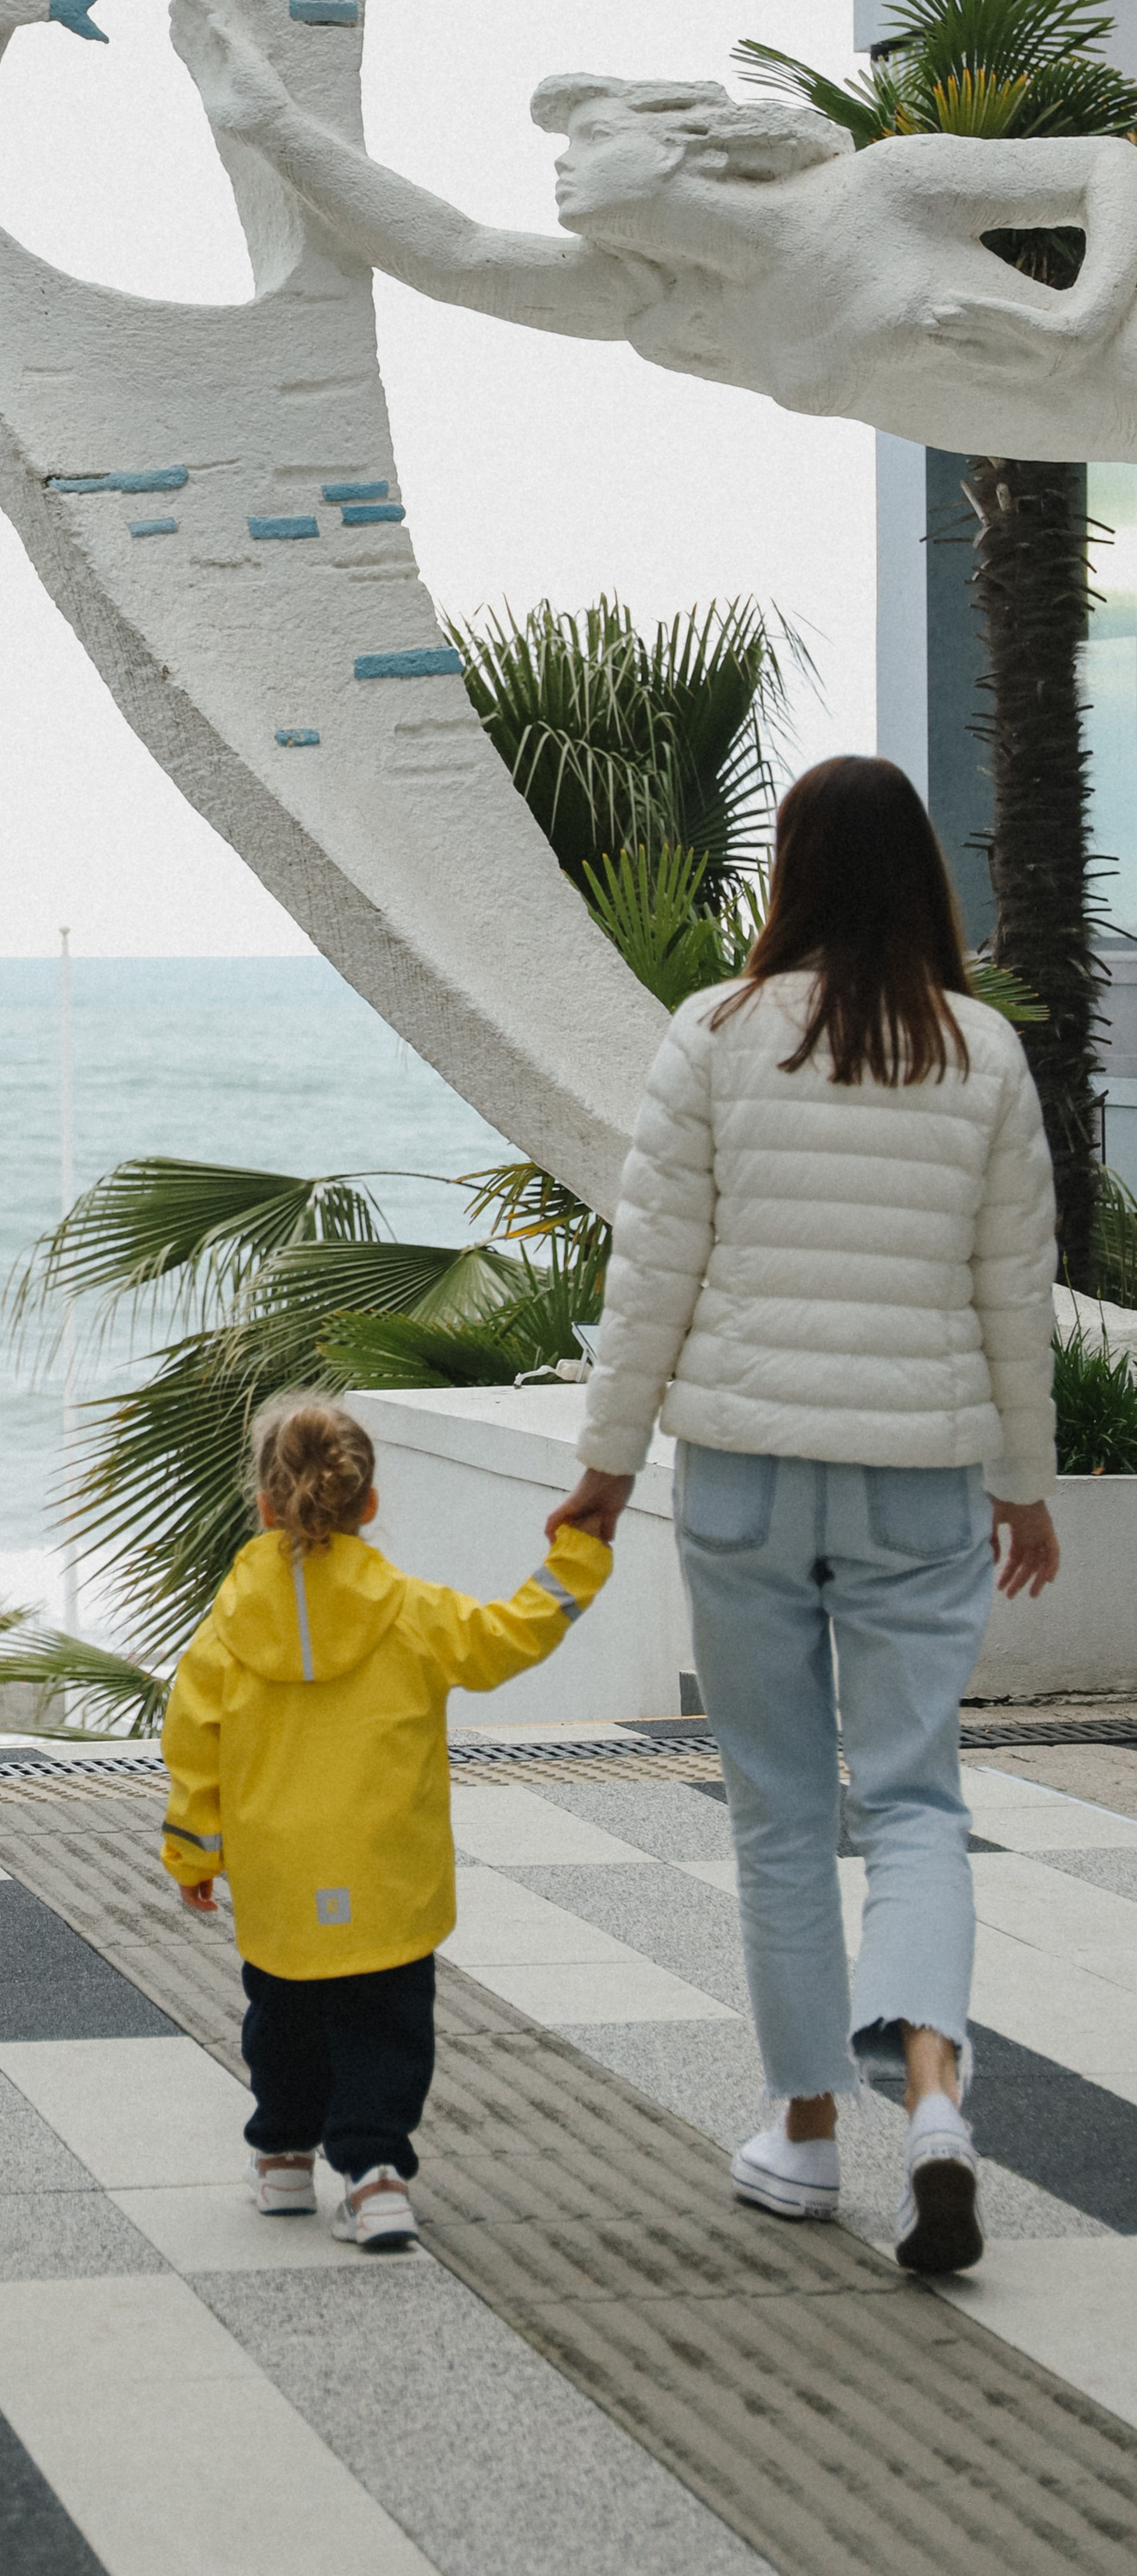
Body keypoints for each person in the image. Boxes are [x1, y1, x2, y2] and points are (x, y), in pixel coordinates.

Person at [550, 756, 1061, 2277]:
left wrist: (607, 1458)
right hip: (919, 1470)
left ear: (792, 874)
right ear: (921, 877)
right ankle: (940, 2114)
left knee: (780, 1808)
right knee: (915, 1800)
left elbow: (654, 1274)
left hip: (752, 1467)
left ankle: (806, 2137)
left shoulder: (710, 1035)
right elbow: (1011, 1293)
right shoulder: (979, 1051)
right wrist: (1024, 1488)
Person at [168, 0, 1137, 461]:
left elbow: (1107, 166)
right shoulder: (677, 306)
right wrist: (275, 128)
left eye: (591, 135)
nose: (562, 160)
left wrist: (1082, 317)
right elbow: (456, 258)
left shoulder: (884, 188)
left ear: (681, 142)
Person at [160, 1395, 613, 2250]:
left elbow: (192, 1740)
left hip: (280, 1879)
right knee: (383, 2027)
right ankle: (373, 2178)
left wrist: (194, 1846)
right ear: (368, 1504)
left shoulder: (226, 1626)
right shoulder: (411, 1614)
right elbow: (512, 1636)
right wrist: (580, 1556)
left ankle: (284, 2159)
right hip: (384, 1878)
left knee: (283, 2018)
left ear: (262, 1503)